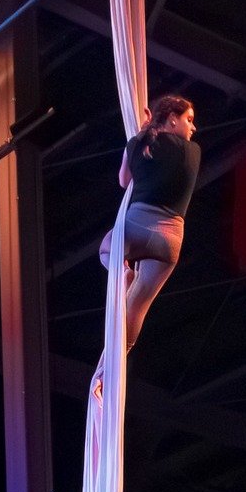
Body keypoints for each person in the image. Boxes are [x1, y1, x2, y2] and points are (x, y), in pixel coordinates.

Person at [100, 93, 200, 349]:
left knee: (107, 248)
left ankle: (122, 272)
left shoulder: (138, 143)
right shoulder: (193, 151)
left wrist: (139, 136)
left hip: (137, 224)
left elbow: (124, 181)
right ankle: (115, 361)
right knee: (138, 307)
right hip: (170, 240)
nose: (193, 127)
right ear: (172, 119)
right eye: (189, 119)